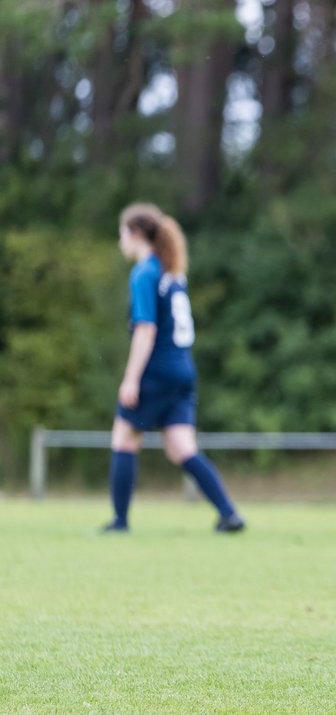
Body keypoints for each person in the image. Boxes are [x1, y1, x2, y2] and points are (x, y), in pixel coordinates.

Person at [104, 203, 245, 534]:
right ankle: (228, 513)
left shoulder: (144, 273)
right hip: (184, 370)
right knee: (181, 447)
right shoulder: (172, 272)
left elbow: (146, 329)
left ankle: (120, 522)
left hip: (156, 370)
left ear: (136, 234)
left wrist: (131, 378)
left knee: (124, 437)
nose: (120, 241)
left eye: (122, 233)